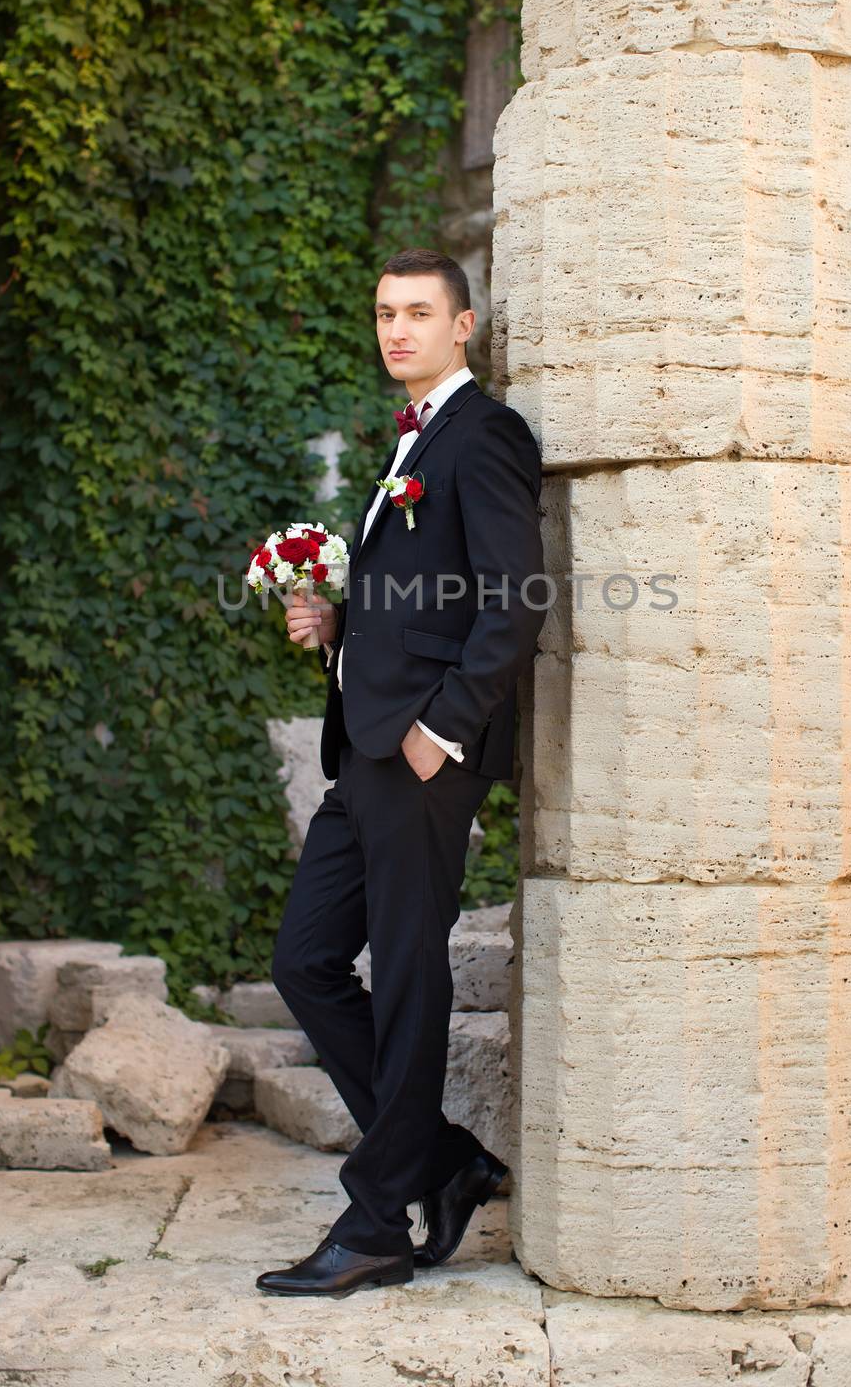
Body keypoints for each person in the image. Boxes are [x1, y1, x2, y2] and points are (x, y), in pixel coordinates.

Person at [255, 247, 547, 1299]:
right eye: (384, 313)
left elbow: (513, 602)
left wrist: (445, 732)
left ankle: (379, 1221)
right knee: (306, 960)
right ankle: (437, 1159)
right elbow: (425, 600)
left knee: (409, 980)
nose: (396, 330)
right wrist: (335, 628)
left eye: (418, 313)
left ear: (462, 326)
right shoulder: (412, 442)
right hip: (366, 746)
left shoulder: (486, 433)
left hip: (421, 756)